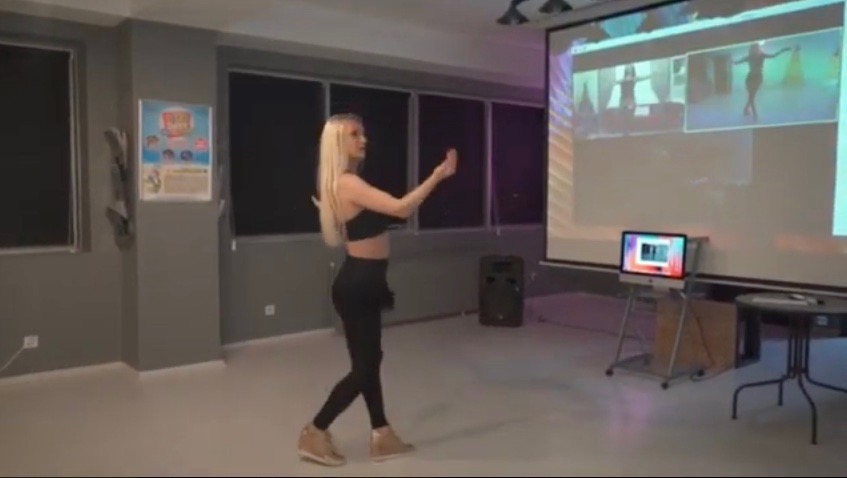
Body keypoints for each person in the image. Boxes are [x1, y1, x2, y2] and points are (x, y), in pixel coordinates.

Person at [298, 113, 458, 466]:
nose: (363, 140)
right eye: (354, 135)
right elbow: (401, 208)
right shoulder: (347, 183)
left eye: (363, 133)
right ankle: (315, 430)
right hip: (360, 283)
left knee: (367, 363)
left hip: (362, 281)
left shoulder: (340, 182)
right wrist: (437, 176)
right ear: (338, 143)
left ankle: (382, 434)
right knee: (365, 368)